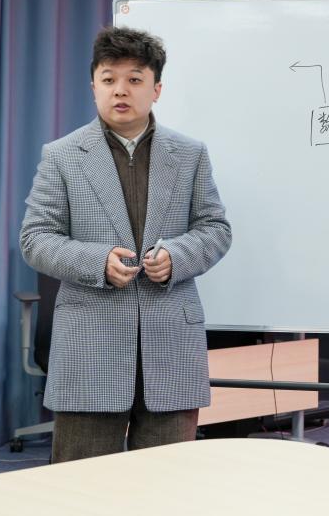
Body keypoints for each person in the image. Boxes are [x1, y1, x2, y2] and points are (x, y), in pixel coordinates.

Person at [20, 26, 232, 463]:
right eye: (109, 79)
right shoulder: (62, 155)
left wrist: (177, 256)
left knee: (167, 482)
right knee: (82, 483)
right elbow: (35, 238)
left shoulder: (189, 154)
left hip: (171, 344)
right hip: (90, 346)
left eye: (135, 79)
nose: (121, 90)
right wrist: (97, 261)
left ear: (156, 89)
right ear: (93, 86)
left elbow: (215, 228)